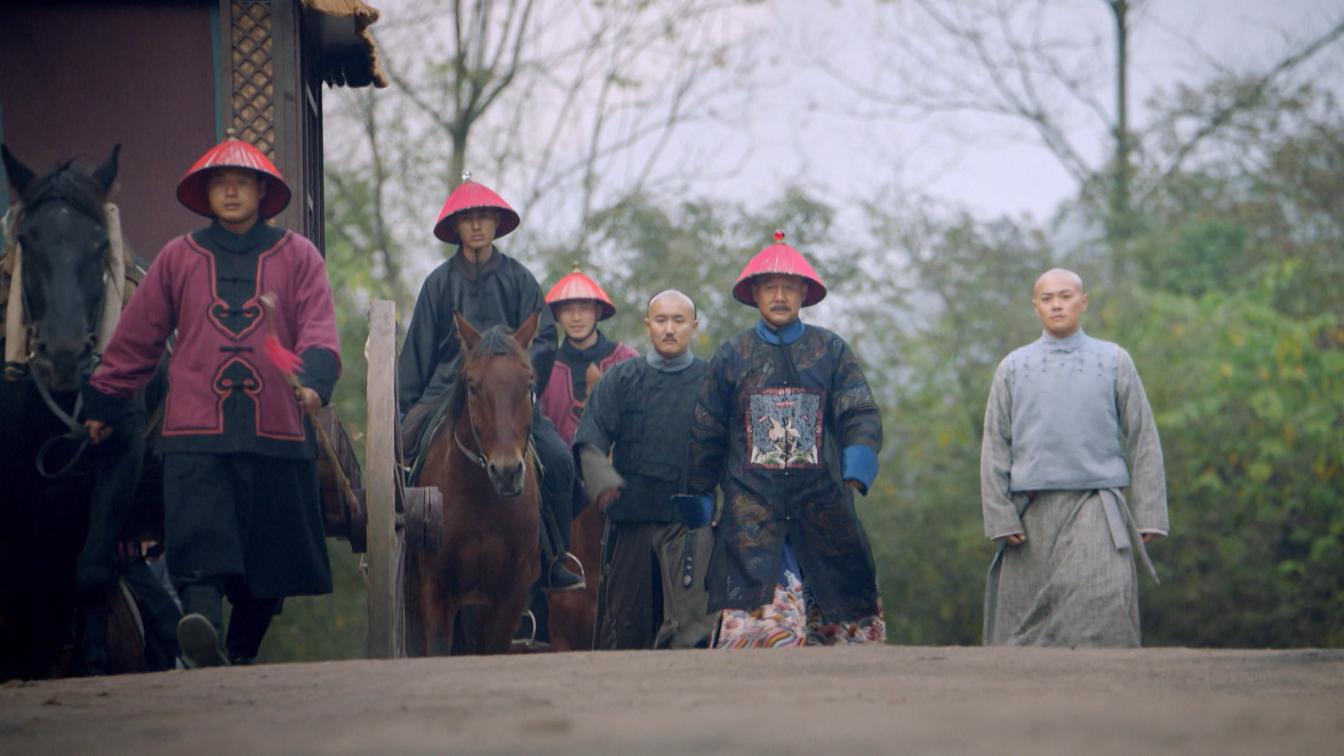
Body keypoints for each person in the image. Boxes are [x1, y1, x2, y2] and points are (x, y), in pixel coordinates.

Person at [81, 137, 341, 667]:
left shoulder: (299, 256)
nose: (229, 191)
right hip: (196, 430)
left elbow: (318, 326)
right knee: (199, 548)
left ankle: (237, 656)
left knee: (271, 563)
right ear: (205, 193)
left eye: (241, 182)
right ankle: (205, 641)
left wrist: (314, 377)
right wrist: (104, 400)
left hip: (279, 429)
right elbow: (138, 338)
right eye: (220, 183)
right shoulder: (179, 258)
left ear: (261, 191)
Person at [682, 231, 885, 648]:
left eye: (788, 288)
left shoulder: (831, 350)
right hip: (752, 506)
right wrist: (701, 498)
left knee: (845, 624)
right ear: (755, 293)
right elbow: (707, 429)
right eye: (770, 288)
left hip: (823, 502)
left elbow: (859, 410)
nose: (779, 296)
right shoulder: (732, 355)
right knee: (762, 633)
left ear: (803, 294)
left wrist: (857, 463)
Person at [397, 172, 582, 592]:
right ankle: (396, 546)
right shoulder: (438, 283)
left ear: (497, 224)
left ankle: (554, 556)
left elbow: (546, 337)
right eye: (468, 218)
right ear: (456, 228)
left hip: (510, 397)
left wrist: (513, 380)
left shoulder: (519, 278)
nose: (477, 225)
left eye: (484, 217)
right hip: (447, 389)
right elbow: (418, 351)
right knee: (403, 446)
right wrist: (406, 408)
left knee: (559, 460)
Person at [981, 268, 1168, 647]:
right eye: (1047, 299)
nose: (1057, 305)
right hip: (1028, 512)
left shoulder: (1114, 360)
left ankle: (1104, 700)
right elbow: (995, 444)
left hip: (1096, 504)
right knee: (1023, 630)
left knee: (1101, 608)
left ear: (1083, 301)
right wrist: (999, 515)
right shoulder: (1013, 367)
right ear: (1035, 308)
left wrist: (1149, 512)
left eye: (1065, 296)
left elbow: (1143, 437)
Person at [573, 290, 717, 649]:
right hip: (632, 526)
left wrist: (725, 508)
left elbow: (733, 449)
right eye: (662, 320)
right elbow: (590, 437)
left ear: (694, 327)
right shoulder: (620, 380)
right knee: (625, 635)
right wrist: (603, 485)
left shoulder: (713, 383)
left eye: (679, 320)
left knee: (690, 637)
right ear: (648, 325)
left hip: (690, 528)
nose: (669, 329)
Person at [538, 265, 638, 445]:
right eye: (567, 310)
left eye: (584, 308)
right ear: (557, 315)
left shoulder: (627, 360)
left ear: (598, 312)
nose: (576, 317)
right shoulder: (545, 367)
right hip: (560, 469)